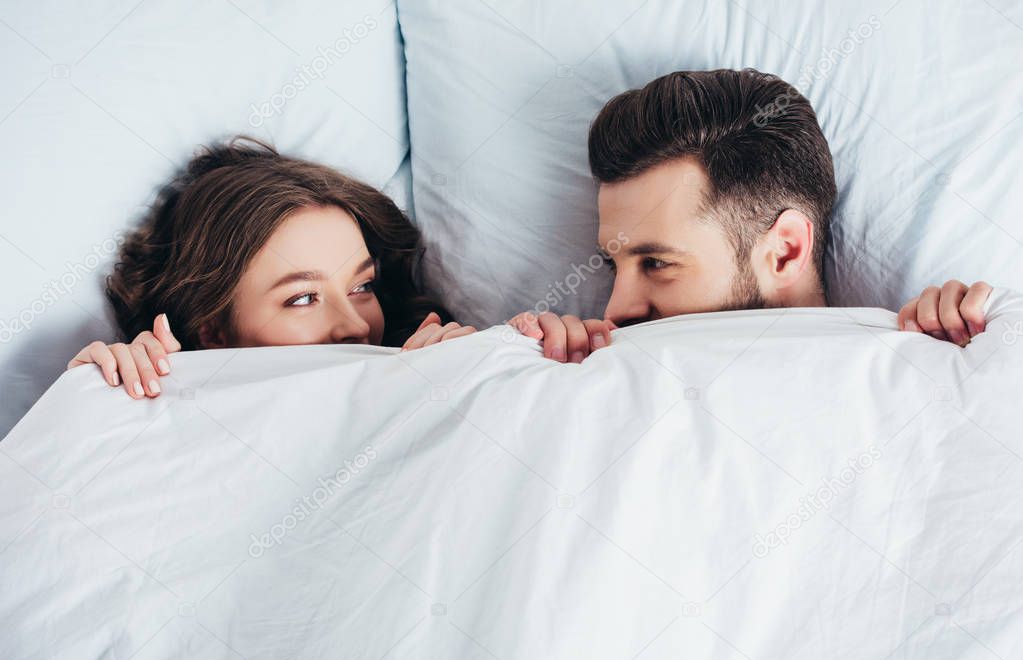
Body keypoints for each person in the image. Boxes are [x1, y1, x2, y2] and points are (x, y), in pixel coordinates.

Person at [508, 69, 993, 362]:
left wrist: (973, 345)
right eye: (616, 266)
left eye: (656, 262)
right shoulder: (577, 369)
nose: (614, 310)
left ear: (784, 252)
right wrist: (460, 370)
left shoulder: (940, 356)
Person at [67, 137, 475, 398]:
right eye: (302, 298)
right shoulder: (159, 414)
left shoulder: (436, 370)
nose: (354, 325)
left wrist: (515, 364)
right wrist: (98, 399)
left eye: (361, 287)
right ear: (215, 331)